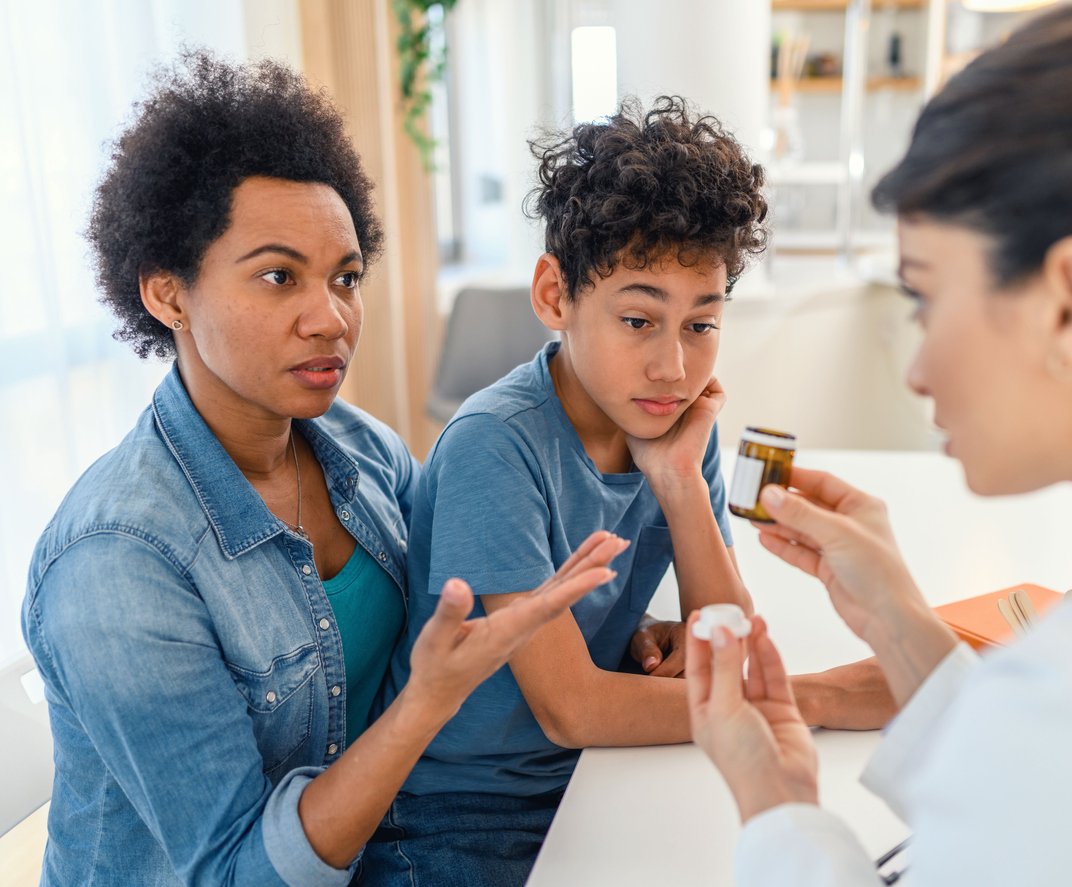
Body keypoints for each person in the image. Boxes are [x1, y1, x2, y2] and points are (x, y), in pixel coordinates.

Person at [20, 51, 627, 887]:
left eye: (346, 277)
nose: (332, 317)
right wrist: (424, 704)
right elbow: (238, 875)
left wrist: (627, 637)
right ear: (168, 295)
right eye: (278, 277)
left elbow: (470, 618)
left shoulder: (361, 449)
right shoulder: (120, 565)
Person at [686, 1, 1072, 884]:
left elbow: (1057, 773)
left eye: (924, 296)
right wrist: (896, 622)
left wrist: (776, 810)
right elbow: (1050, 815)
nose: (915, 369)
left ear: (1070, 302)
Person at [383, 97, 894, 886]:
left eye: (700, 324)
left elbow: (720, 643)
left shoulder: (673, 425)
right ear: (556, 296)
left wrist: (680, 483)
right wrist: (819, 698)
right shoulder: (497, 443)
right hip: (460, 819)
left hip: (591, 779)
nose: (673, 368)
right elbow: (573, 707)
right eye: (636, 320)